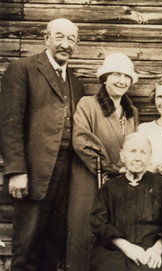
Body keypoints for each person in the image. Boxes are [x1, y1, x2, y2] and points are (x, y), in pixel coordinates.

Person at [0, 18, 84, 270]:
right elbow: (9, 123)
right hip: (33, 172)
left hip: (66, 175)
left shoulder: (76, 83)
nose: (65, 44)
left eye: (71, 39)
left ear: (76, 45)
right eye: (59, 37)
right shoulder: (22, 69)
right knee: (26, 248)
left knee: (53, 247)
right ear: (46, 38)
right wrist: (17, 171)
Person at [67, 52, 140, 271]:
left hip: (120, 188)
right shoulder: (87, 105)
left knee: (115, 236)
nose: (122, 80)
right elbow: (82, 142)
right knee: (84, 232)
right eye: (116, 74)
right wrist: (115, 169)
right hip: (88, 182)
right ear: (104, 77)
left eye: (126, 76)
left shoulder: (131, 112)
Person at [90, 132, 162, 271]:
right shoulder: (110, 186)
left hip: (151, 249)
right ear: (123, 156)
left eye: (143, 152)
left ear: (149, 157)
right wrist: (127, 247)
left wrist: (158, 249)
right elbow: (99, 223)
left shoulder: (161, 185)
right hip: (115, 248)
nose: (138, 158)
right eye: (133, 151)